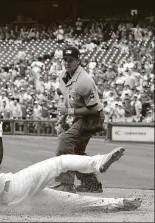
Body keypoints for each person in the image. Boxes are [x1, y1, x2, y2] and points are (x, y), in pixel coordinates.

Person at [0, 122, 141, 211]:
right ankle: (97, 162)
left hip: (14, 200)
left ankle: (118, 203)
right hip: (19, 184)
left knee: (70, 202)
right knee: (59, 162)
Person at [52, 47, 105, 193]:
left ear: (78, 61)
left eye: (71, 60)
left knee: (65, 140)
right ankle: (91, 184)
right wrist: (62, 118)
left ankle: (66, 184)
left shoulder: (84, 80)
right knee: (76, 151)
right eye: (65, 60)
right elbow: (69, 99)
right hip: (80, 116)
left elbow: (93, 109)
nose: (67, 63)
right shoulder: (63, 76)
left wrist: (68, 112)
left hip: (93, 117)